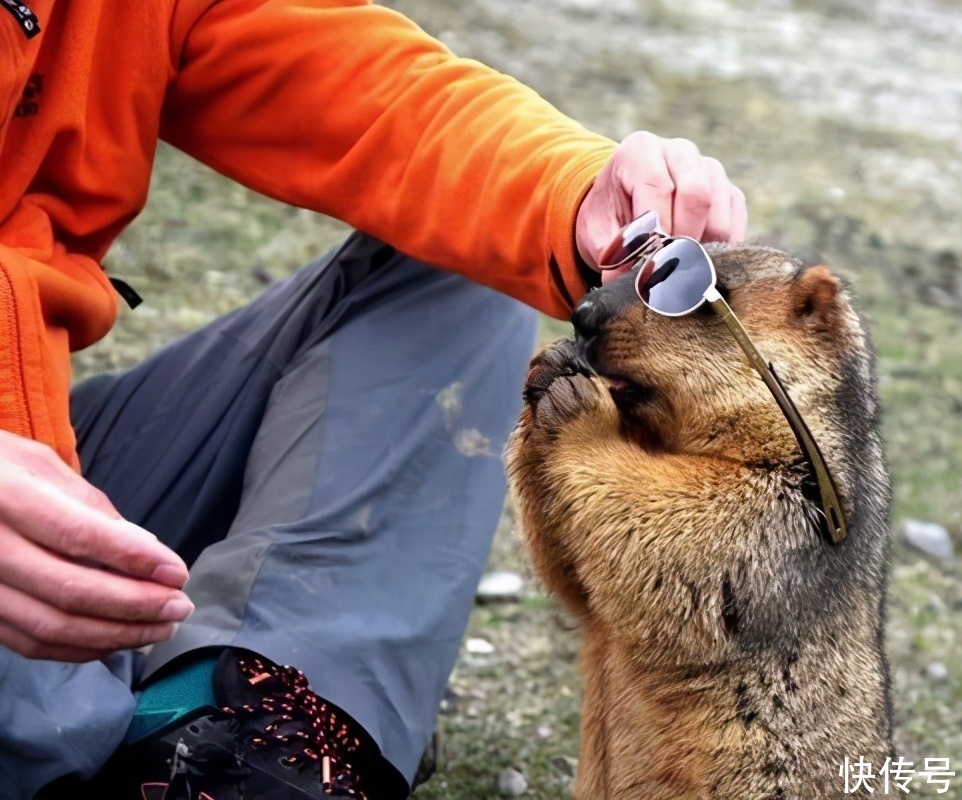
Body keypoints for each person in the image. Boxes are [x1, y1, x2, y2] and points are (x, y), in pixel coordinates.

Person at [0, 2, 746, 799]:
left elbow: (375, 95)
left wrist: (577, 198)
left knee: (466, 243)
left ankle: (244, 747)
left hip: (47, 454)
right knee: (50, 736)